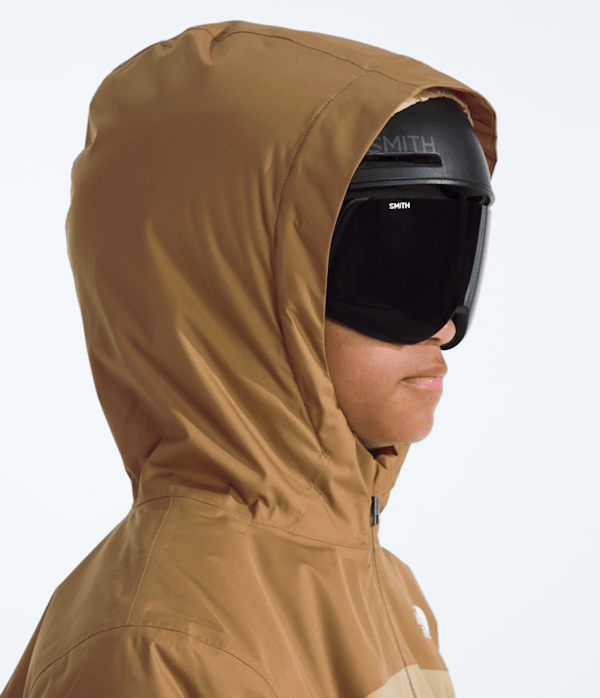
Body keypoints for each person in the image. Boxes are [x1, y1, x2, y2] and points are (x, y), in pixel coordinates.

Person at [1, 19, 496, 698]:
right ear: (230, 297)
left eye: (453, 261)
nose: (443, 326)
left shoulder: (383, 587)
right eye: (394, 267)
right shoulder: (158, 651)